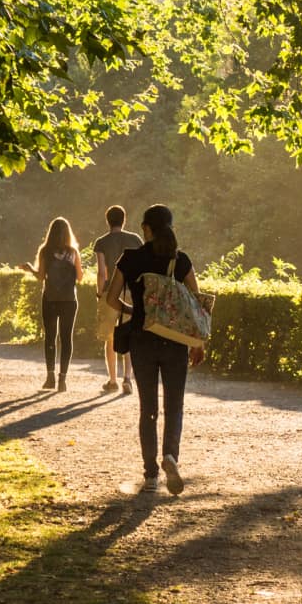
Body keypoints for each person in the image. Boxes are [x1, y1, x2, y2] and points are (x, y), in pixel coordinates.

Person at [102, 203, 204, 495]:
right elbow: (196, 305)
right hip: (174, 340)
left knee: (148, 408)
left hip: (142, 340)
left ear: (146, 228)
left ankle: (150, 475)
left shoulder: (131, 258)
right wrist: (198, 343)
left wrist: (133, 311)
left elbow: (110, 298)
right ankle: (170, 455)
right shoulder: (179, 260)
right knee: (175, 405)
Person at [21, 217, 82, 392]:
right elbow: (80, 277)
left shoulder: (45, 251)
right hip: (69, 299)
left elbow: (41, 277)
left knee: (50, 337)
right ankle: (63, 379)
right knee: (66, 338)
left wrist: (30, 269)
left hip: (49, 299)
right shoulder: (73, 252)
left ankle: (50, 377)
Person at [91, 206, 143, 396]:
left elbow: (102, 273)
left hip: (109, 293)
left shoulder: (101, 242)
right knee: (128, 336)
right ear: (124, 220)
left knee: (110, 338)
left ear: (108, 220)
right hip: (131, 292)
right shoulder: (136, 239)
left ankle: (112, 380)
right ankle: (127, 378)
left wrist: (99, 293)